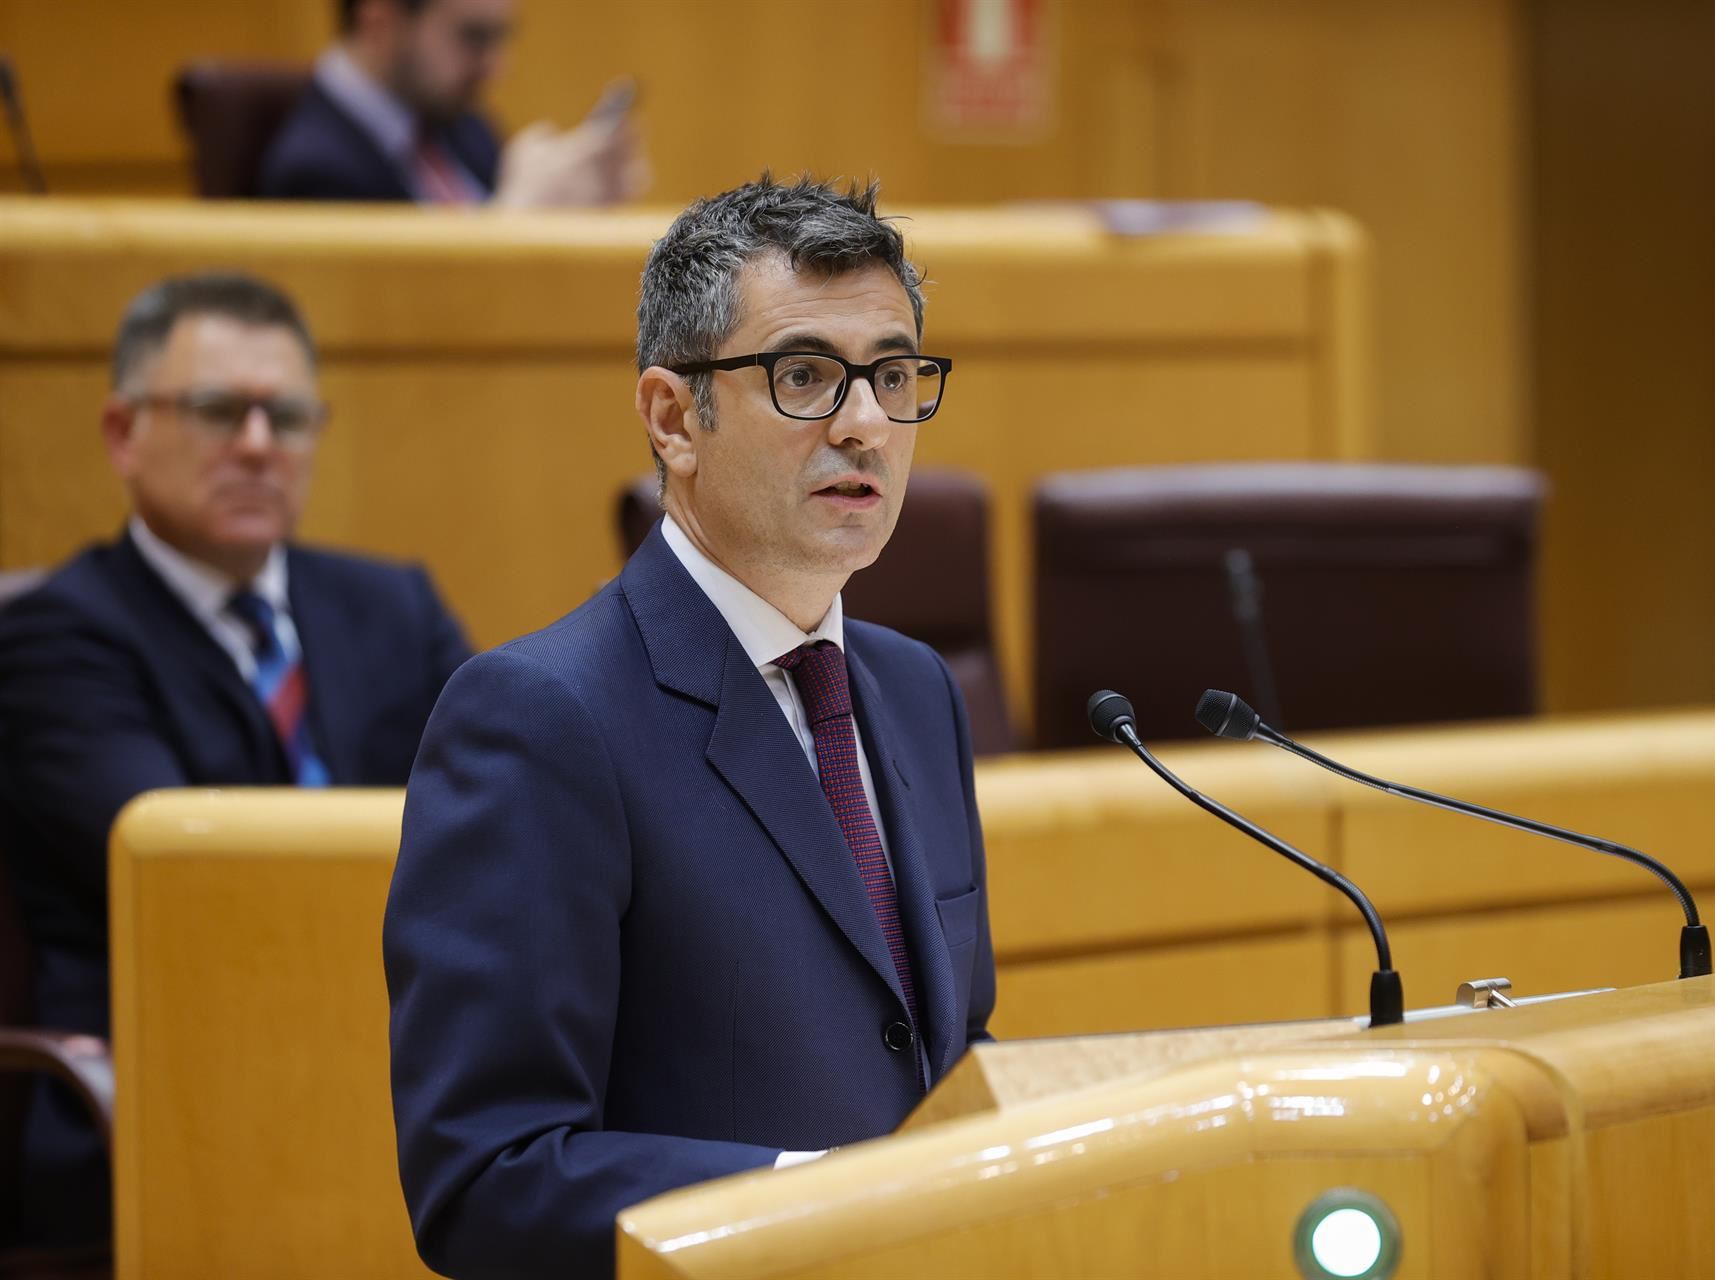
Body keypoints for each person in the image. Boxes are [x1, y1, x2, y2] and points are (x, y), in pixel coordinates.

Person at [385, 175, 995, 1279]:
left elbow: (940, 1056)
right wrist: (827, 1201)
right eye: (806, 375)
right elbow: (487, 1175)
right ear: (673, 418)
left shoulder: (915, 689)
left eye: (894, 376)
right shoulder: (541, 719)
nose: (866, 424)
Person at [0, 271, 472, 1246]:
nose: (259, 444)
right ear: (123, 432)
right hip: (169, 1093)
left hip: (398, 1053)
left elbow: (509, 801)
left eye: (288, 415)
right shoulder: (53, 638)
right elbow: (208, 878)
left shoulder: (394, 607)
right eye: (219, 411)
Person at [258, 0, 643, 206]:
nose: (496, 69)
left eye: (502, 38)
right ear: (380, 22)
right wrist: (516, 226)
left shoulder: (462, 127)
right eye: (475, 37)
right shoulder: (313, 172)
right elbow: (397, 325)